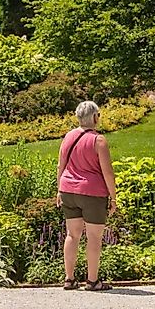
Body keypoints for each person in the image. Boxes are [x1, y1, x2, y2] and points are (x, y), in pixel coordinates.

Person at [54, 100, 115, 290]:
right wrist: (113, 197)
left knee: (72, 235)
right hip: (92, 192)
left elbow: (60, 165)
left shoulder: (68, 137)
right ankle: (92, 280)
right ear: (95, 117)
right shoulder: (99, 140)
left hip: (68, 190)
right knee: (94, 237)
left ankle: (69, 278)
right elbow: (107, 172)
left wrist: (59, 189)